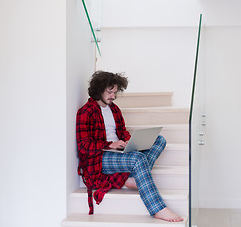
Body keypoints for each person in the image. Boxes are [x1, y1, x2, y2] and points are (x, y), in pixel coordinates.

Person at [76, 71, 183, 222]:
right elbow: (83, 146)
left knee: (159, 140)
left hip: (119, 151)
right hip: (100, 157)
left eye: (115, 92)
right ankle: (158, 209)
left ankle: (132, 178)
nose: (113, 96)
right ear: (98, 89)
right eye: (110, 92)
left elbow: (123, 132)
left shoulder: (114, 109)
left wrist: (129, 141)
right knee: (138, 159)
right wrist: (110, 144)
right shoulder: (86, 112)